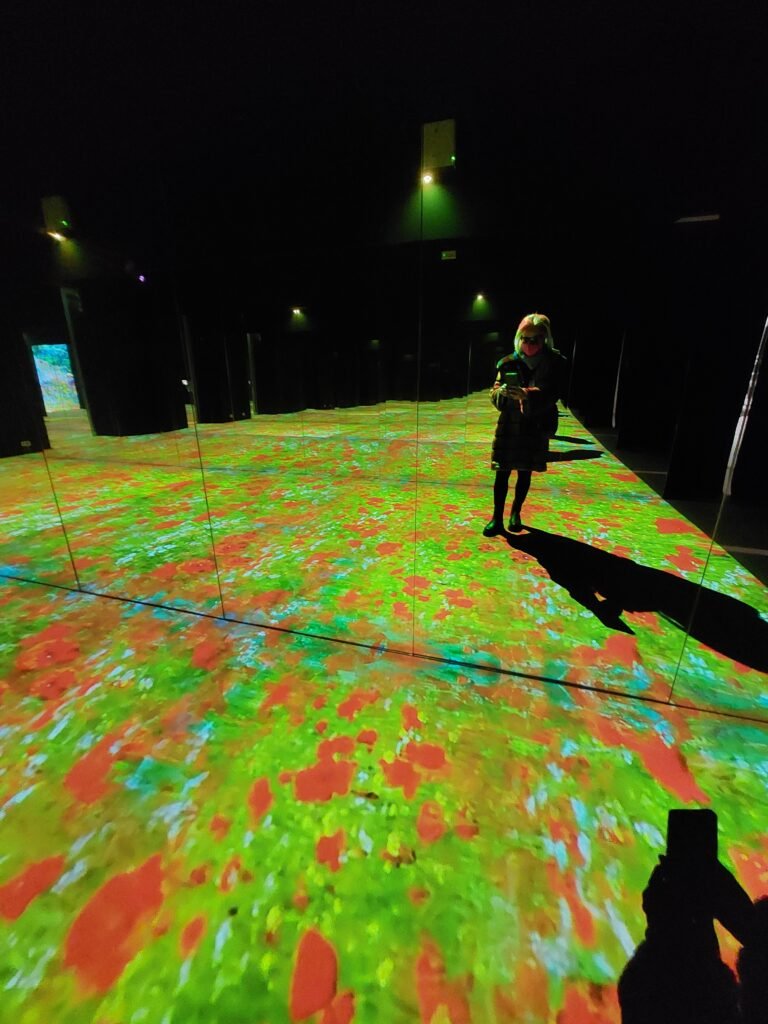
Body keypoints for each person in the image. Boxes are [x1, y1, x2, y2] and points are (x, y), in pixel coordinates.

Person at [483, 313, 567, 535]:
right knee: (502, 472)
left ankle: (516, 512)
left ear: (544, 339)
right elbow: (495, 389)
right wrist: (500, 393)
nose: (529, 344)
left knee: (525, 472)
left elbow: (553, 392)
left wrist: (527, 395)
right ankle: (496, 518)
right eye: (525, 339)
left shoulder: (554, 363)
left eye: (535, 339)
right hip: (509, 425)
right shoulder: (508, 362)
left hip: (535, 424)